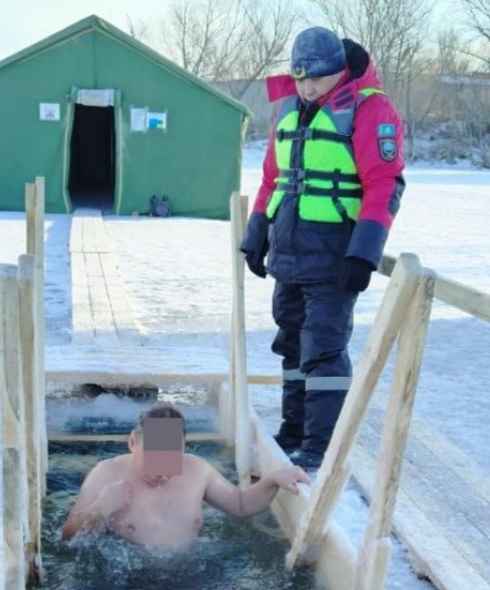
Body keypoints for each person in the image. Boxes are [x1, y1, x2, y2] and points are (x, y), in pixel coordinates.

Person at [239, 28, 406, 470]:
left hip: (334, 257)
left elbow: (384, 184)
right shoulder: (289, 111)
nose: (308, 88)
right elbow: (273, 179)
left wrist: (363, 253)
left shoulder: (371, 110)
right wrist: (258, 232)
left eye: (317, 78)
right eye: (300, 79)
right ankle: (294, 430)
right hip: (289, 254)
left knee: (324, 350)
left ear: (340, 71)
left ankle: (320, 444)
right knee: (291, 345)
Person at [61, 402, 310, 551]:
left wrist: (272, 480)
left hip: (190, 580)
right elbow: (68, 537)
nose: (161, 472)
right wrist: (101, 508)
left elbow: (241, 505)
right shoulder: (106, 474)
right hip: (132, 584)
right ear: (132, 443)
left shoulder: (197, 470)